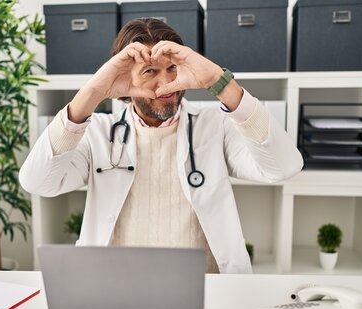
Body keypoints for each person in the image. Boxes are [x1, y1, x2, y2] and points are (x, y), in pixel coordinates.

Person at [19, 18, 303, 274]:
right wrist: (93, 92)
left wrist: (219, 81)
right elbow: (37, 181)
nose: (166, 83)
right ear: (125, 78)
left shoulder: (215, 125)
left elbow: (283, 167)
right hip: (116, 287)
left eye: (172, 69)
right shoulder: (98, 133)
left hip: (207, 287)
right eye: (150, 71)